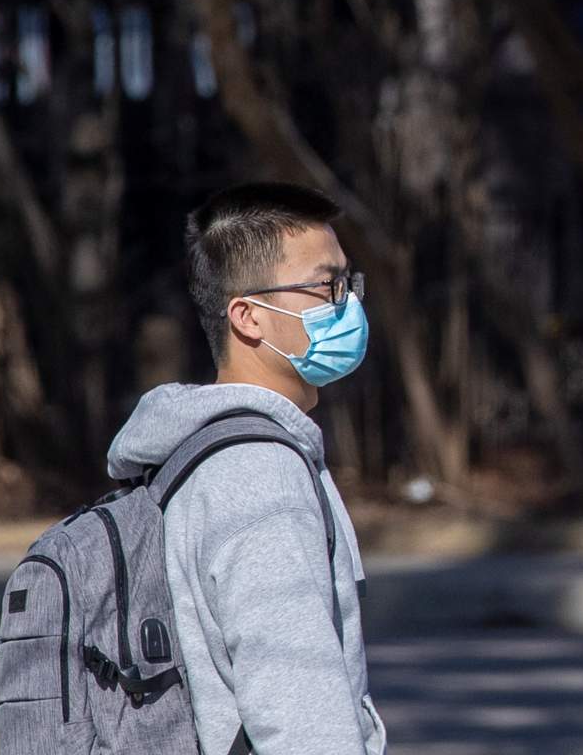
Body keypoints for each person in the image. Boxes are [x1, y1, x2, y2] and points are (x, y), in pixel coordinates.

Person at [105, 183, 385, 755]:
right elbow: (299, 711)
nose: (348, 304)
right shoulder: (259, 475)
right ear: (249, 317)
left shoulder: (200, 448)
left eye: (348, 283)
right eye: (326, 286)